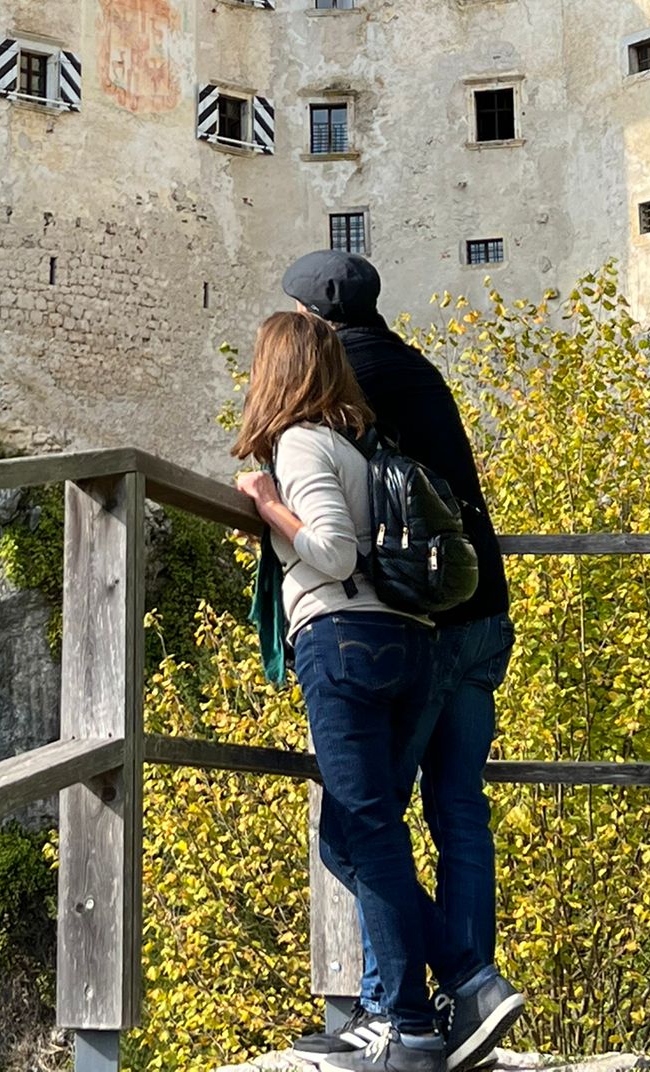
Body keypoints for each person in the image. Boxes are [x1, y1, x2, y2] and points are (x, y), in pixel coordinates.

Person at [281, 250, 523, 1072]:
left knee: (362, 827)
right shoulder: (416, 364)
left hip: (427, 621)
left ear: (316, 322)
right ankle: (459, 1008)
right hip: (487, 605)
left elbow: (336, 510)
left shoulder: (342, 381)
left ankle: (419, 1004)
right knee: (457, 809)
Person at [234, 311, 447, 1072]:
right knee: (352, 836)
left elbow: (329, 550)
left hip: (344, 642)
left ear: (277, 374)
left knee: (370, 835)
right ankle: (449, 983)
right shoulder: (365, 442)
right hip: (408, 644)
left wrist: (265, 503)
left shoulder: (300, 443)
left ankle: (415, 1024)